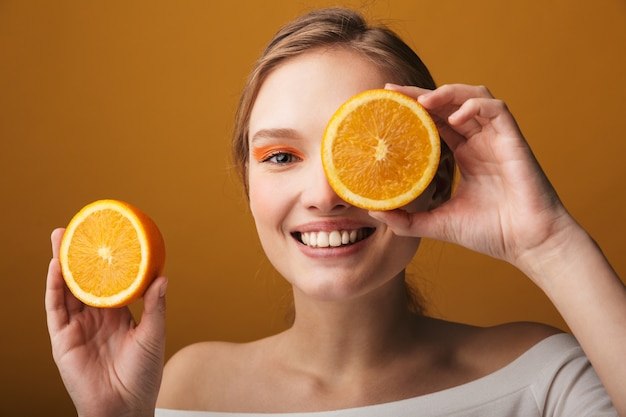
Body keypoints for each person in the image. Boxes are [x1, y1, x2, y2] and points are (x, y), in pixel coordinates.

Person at [45, 7, 625, 416]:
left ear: (432, 173)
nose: (325, 195)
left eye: (368, 155)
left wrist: (547, 241)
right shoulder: (182, 387)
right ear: (249, 185)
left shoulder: (541, 378)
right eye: (280, 155)